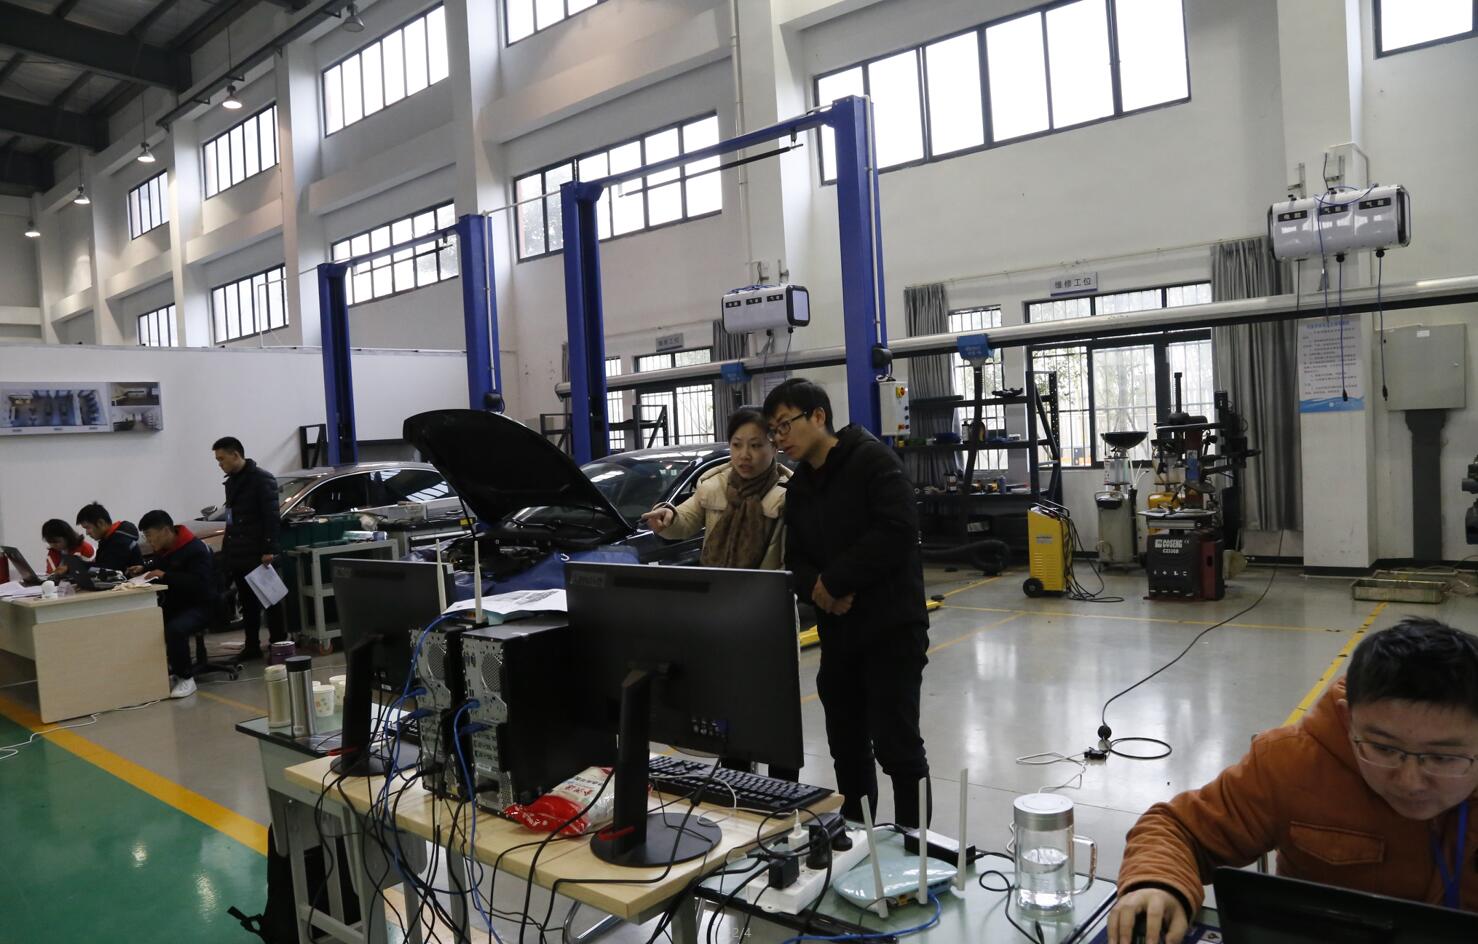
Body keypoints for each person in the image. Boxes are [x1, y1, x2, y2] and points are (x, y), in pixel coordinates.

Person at [1108, 617, 1478, 944]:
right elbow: (1179, 829)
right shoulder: (1291, 764)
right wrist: (1157, 883)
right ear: (1348, 721)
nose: (1411, 782)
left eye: (1443, 757)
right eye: (1383, 748)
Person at [762, 378, 931, 828]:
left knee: (897, 745)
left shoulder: (873, 461)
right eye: (774, 431)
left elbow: (897, 531)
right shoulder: (801, 486)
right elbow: (796, 559)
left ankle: (916, 845)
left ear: (818, 416)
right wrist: (818, 590)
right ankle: (857, 837)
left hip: (891, 628)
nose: (780, 438)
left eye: (785, 425)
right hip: (838, 634)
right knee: (847, 745)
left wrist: (832, 582)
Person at [641, 407, 797, 778]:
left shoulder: (789, 494)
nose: (745, 455)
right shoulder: (713, 484)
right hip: (721, 615)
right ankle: (735, 784)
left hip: (766, 616)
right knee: (729, 709)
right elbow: (684, 519)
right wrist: (667, 517)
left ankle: (784, 791)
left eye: (756, 445)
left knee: (774, 711)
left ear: (773, 446)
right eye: (737, 444)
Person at [130, 510, 221, 699]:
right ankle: (167, 668)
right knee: (147, 621)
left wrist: (165, 576)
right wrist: (144, 568)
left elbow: (199, 583)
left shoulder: (195, 549)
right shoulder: (166, 548)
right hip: (179, 603)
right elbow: (162, 564)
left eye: (149, 535)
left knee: (175, 629)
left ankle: (185, 677)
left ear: (165, 531)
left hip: (204, 605)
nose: (148, 540)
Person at [213, 436, 283, 660]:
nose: (220, 464)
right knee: (248, 604)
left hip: (259, 553)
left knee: (272, 603)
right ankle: (252, 646)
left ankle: (279, 646)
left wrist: (269, 549)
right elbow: (231, 519)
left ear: (235, 455)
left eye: (222, 459)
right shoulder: (232, 482)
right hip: (239, 553)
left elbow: (271, 517)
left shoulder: (262, 479)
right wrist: (227, 549)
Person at [74, 502, 143, 574]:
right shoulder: (108, 539)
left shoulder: (120, 541)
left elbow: (108, 570)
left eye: (88, 527)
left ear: (101, 523)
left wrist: (77, 565)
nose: (87, 533)